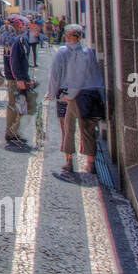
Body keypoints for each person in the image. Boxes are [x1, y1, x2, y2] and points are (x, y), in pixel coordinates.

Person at [46, 23, 106, 176]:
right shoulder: (89, 52)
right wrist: (101, 95)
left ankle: (68, 161)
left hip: (71, 95)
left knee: (68, 128)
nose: (70, 39)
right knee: (88, 130)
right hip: (91, 95)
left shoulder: (62, 52)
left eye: (70, 36)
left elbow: (55, 76)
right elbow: (96, 75)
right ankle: (90, 163)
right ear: (80, 37)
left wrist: (53, 95)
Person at [3, 15, 35, 152]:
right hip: (16, 79)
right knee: (19, 105)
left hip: (17, 77)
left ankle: (12, 132)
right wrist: (19, 78)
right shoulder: (18, 41)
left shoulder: (20, 40)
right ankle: (13, 132)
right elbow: (14, 61)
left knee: (16, 105)